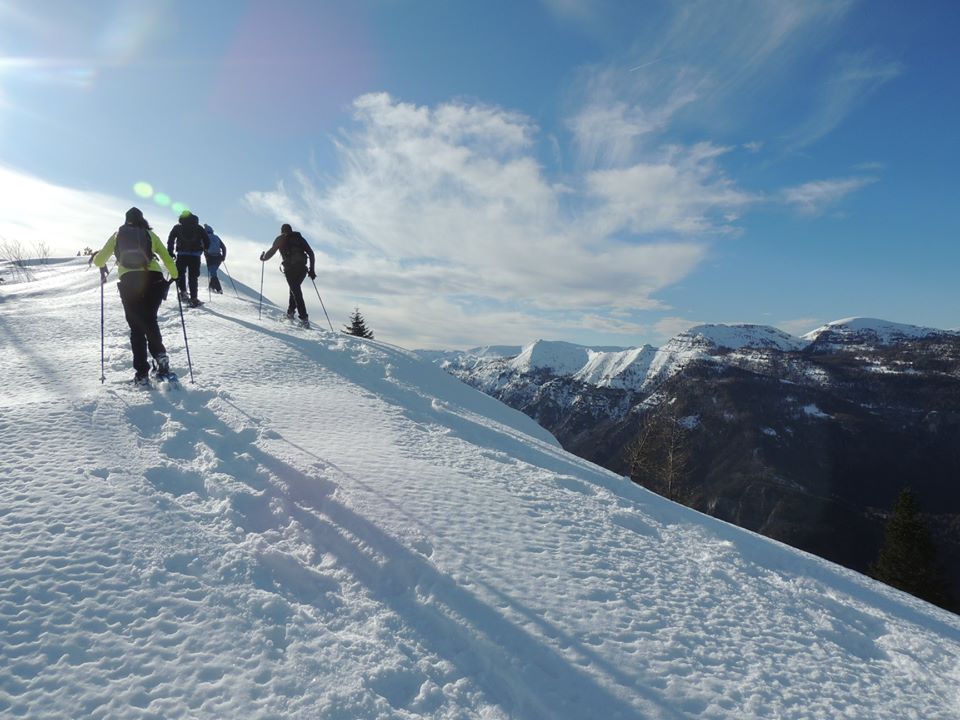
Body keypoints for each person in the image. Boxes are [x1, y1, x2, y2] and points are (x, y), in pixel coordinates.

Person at [93, 207, 179, 385]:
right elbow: (167, 258)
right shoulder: (149, 234)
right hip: (153, 279)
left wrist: (97, 260)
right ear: (142, 219)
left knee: (137, 327)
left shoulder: (118, 235)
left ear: (126, 220)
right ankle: (161, 358)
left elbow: (100, 261)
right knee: (150, 320)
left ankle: (142, 373)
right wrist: (175, 275)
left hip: (129, 281)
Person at [260, 223, 315, 328]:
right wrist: (312, 270)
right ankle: (290, 313)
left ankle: (304, 318)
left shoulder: (281, 239)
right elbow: (311, 253)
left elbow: (272, 251)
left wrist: (263, 258)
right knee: (294, 290)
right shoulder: (299, 238)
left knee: (295, 291)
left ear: (282, 230)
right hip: (302, 269)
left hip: (290, 269)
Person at [167, 210, 209, 307]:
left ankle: (183, 293)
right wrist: (204, 249)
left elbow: (171, 239)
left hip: (182, 254)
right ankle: (194, 298)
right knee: (193, 277)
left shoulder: (178, 227)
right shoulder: (198, 228)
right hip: (195, 255)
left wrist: (170, 251)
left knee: (181, 274)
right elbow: (206, 240)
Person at [203, 223, 227, 294]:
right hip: (218, 257)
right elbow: (223, 247)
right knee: (213, 272)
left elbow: (202, 247)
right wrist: (223, 256)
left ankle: (219, 289)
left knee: (213, 273)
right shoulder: (216, 237)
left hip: (210, 257)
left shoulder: (205, 237)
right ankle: (211, 287)